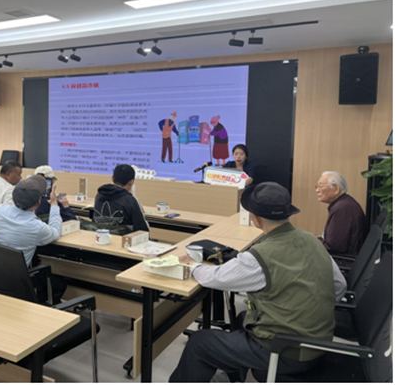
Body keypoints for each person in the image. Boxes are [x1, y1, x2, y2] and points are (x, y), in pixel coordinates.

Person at [169, 182, 347, 383]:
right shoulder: (313, 240)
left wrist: (193, 265)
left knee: (200, 343)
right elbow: (340, 285)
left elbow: (214, 278)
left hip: (286, 352)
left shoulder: (260, 256)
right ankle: (237, 374)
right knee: (243, 318)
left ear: (255, 218)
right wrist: (305, 306)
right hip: (320, 343)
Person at [0, 175, 67, 303]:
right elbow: (55, 232)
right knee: (59, 283)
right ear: (38, 203)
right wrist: (54, 204)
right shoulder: (36, 227)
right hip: (19, 282)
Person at [316, 171, 367, 261]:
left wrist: (311, 243)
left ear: (336, 189)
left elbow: (333, 247)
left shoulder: (342, 210)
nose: (317, 190)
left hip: (341, 261)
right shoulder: (345, 203)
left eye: (321, 186)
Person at [94, 164, 149, 232]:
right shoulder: (131, 201)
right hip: (124, 238)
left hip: (101, 237)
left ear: (112, 178)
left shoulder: (99, 195)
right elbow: (142, 230)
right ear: (131, 182)